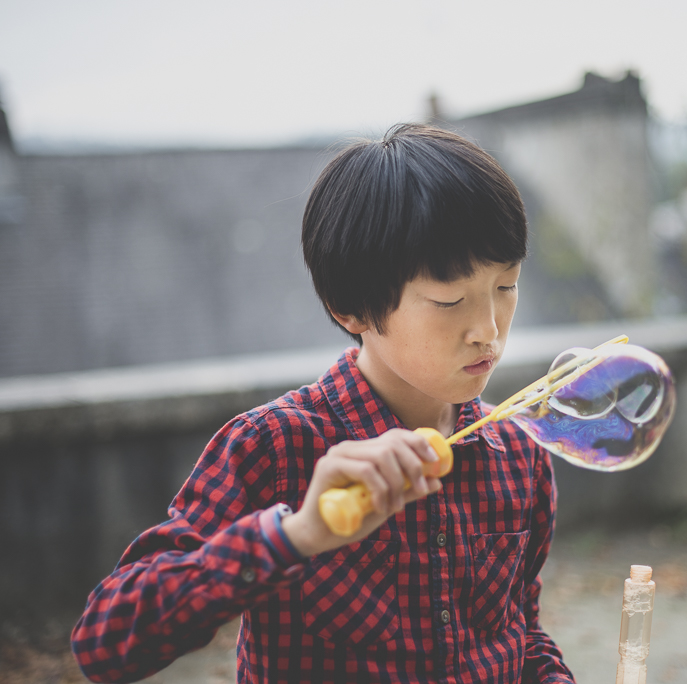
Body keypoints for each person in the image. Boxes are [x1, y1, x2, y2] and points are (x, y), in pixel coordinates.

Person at [71, 124, 575, 684]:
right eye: (449, 299)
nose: (488, 329)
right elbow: (104, 643)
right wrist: (299, 534)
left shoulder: (518, 457)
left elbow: (517, 633)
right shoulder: (275, 448)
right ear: (350, 308)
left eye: (506, 286)